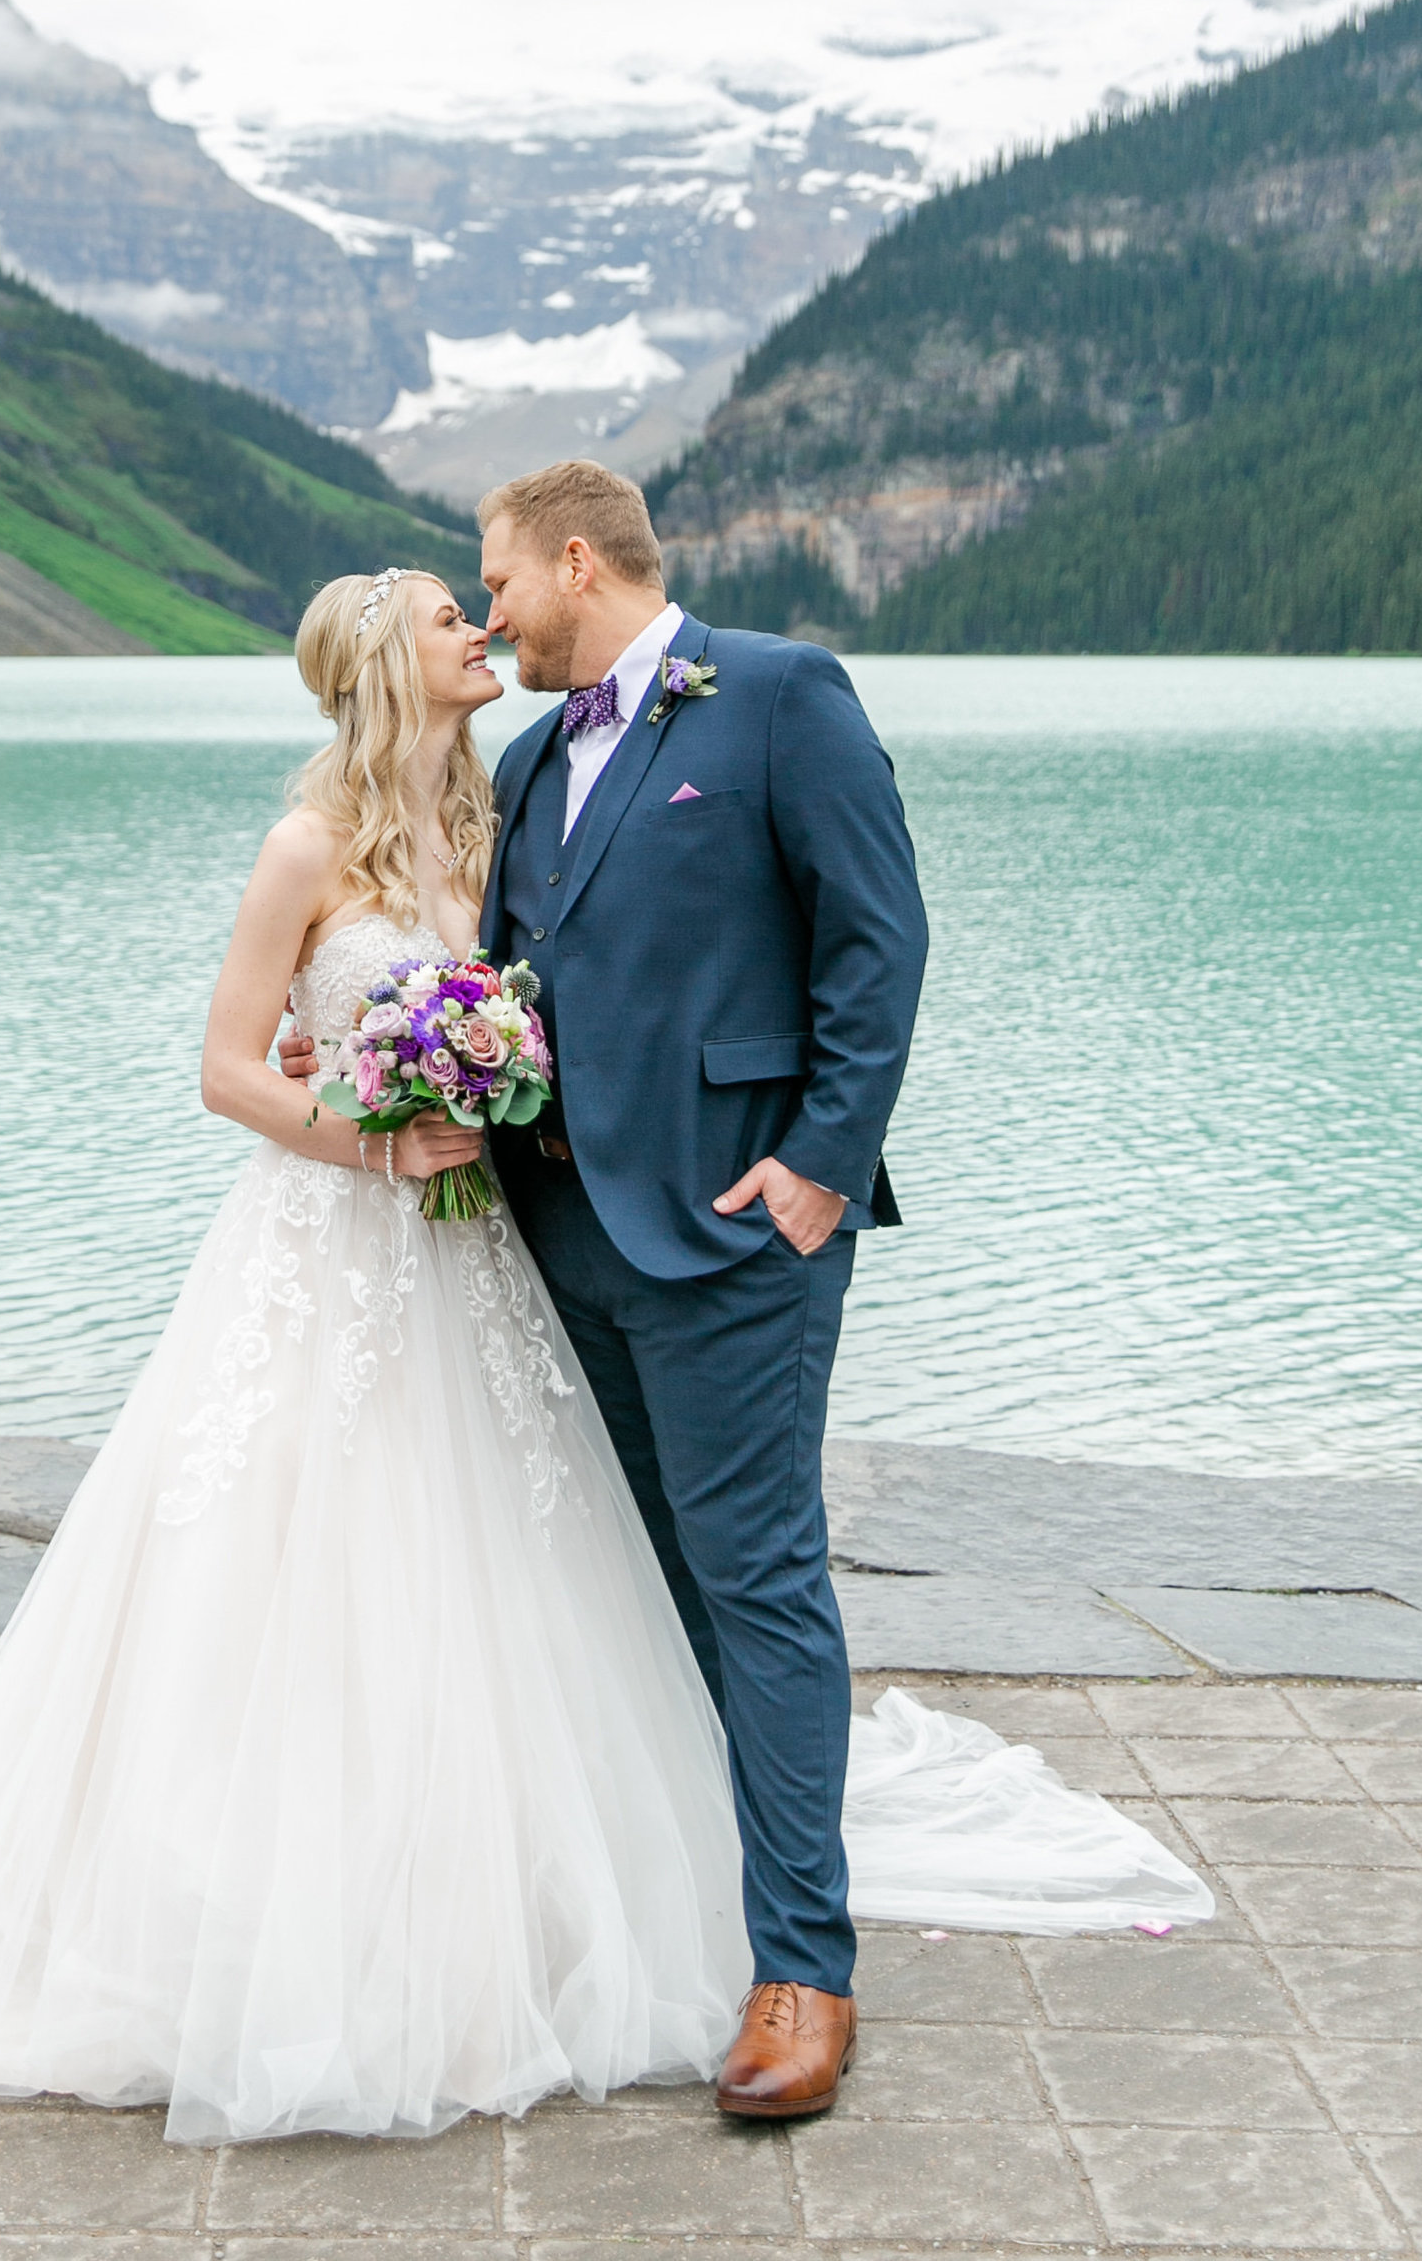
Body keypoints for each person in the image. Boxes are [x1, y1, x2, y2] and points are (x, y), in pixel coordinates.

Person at [0, 562, 1204, 2147]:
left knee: (518, 1569)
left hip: (504, 1271)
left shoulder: (509, 804)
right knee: (307, 1571)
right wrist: (378, 1132)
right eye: (445, 615)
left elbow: (634, 977)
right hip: (336, 1252)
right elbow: (230, 1067)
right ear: (386, 666)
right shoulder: (310, 840)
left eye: (485, 598)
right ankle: (301, 1919)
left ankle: (633, 1904)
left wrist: (648, 1123)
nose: (480, 624)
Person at [481, 460, 926, 2114]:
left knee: (758, 1579)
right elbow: (511, 982)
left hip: (742, 1232)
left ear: (575, 560)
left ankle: (807, 1973)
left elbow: (879, 938)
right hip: (564, 1237)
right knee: (638, 1579)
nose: (490, 613)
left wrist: (820, 1162)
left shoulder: (779, 698)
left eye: (501, 581)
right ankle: (692, 1906)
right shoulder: (527, 761)